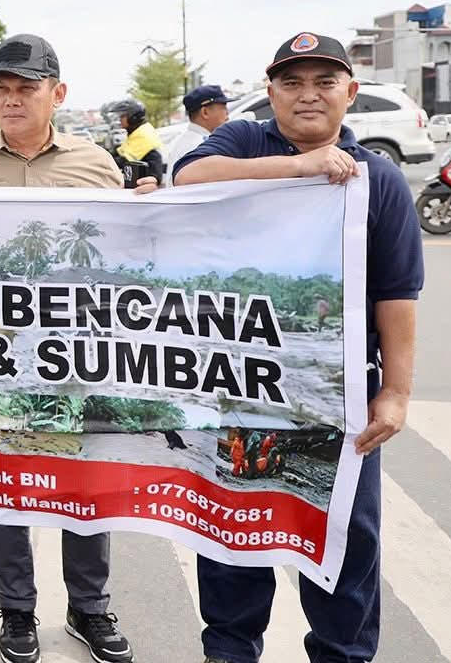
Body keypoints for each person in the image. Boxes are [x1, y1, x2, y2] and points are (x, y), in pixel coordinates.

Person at [173, 33, 422, 663]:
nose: (307, 95)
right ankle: (230, 651)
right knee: (231, 537)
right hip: (238, 388)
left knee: (344, 544)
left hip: (335, 400)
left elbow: (396, 295)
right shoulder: (246, 142)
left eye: (323, 82)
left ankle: (343, 654)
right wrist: (301, 165)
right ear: (271, 90)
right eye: (292, 82)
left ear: (350, 92)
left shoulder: (380, 180)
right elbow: (189, 175)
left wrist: (393, 394)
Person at [0, 35, 135, 663]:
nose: (11, 100)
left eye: (26, 88)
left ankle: (89, 608)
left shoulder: (96, 165)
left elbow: (120, 250)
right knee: (2, 476)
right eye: (1, 89)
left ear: (56, 95)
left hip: (75, 351)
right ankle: (17, 611)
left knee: (85, 477)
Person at [165, 84, 232, 178]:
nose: (227, 113)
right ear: (205, 112)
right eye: (223, 108)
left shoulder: (186, 140)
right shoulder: (201, 146)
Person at [108, 98, 165, 187]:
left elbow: (123, 160)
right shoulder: (135, 133)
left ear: (133, 117)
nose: (120, 119)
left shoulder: (144, 134)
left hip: (142, 189)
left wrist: (103, 160)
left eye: (123, 116)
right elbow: (120, 152)